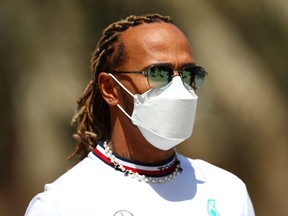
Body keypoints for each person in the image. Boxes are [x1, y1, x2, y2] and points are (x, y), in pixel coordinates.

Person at [25, 14, 255, 216]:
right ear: (110, 89)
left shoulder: (227, 192)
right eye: (158, 73)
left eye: (188, 74)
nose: (179, 87)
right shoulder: (64, 204)